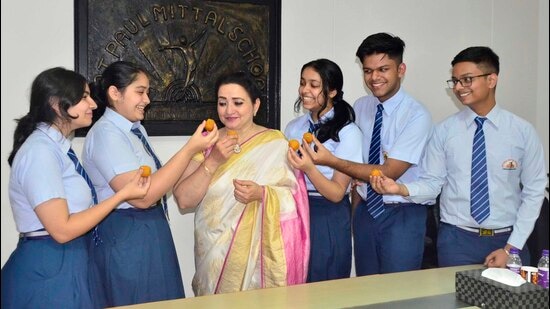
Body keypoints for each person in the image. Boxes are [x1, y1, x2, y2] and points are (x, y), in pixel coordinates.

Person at [370, 46, 547, 267]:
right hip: (456, 241)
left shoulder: (522, 131)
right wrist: (400, 189)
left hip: (508, 239)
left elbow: (534, 191)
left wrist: (512, 248)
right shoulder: (444, 131)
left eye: (467, 79)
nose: (458, 87)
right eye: (454, 81)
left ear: (491, 80)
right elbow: (433, 183)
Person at [1, 67, 151, 309]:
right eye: (83, 97)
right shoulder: (40, 151)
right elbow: (61, 229)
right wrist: (121, 195)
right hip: (48, 267)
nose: (93, 104)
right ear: (56, 104)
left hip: (68, 260)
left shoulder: (57, 147)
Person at [82, 61, 218, 307]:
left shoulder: (135, 129)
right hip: (126, 236)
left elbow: (161, 177)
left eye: (148, 92)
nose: (147, 99)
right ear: (115, 93)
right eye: (140, 91)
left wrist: (205, 153)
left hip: (150, 230)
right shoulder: (106, 134)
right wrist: (190, 149)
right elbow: (141, 197)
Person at [302, 33, 433, 276]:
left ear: (401, 69)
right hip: (365, 211)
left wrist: (331, 161)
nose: (374, 77)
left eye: (383, 69)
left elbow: (389, 171)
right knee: (366, 288)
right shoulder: (362, 106)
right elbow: (358, 167)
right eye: (368, 70)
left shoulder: (416, 115)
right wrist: (354, 210)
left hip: (401, 212)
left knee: (398, 293)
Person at [173, 71, 310, 295]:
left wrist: (263, 194)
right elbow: (184, 199)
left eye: (238, 103)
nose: (229, 111)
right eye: (222, 103)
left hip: (257, 259)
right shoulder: (207, 142)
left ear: (255, 105)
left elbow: (295, 199)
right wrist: (214, 159)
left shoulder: (276, 144)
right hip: (213, 251)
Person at [284, 59, 362, 282]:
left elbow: (337, 192)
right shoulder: (294, 127)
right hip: (297, 208)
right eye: (302, 83)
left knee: (324, 281)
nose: (305, 90)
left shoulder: (348, 133)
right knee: (297, 279)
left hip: (327, 212)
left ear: (333, 91)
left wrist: (309, 168)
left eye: (314, 85)